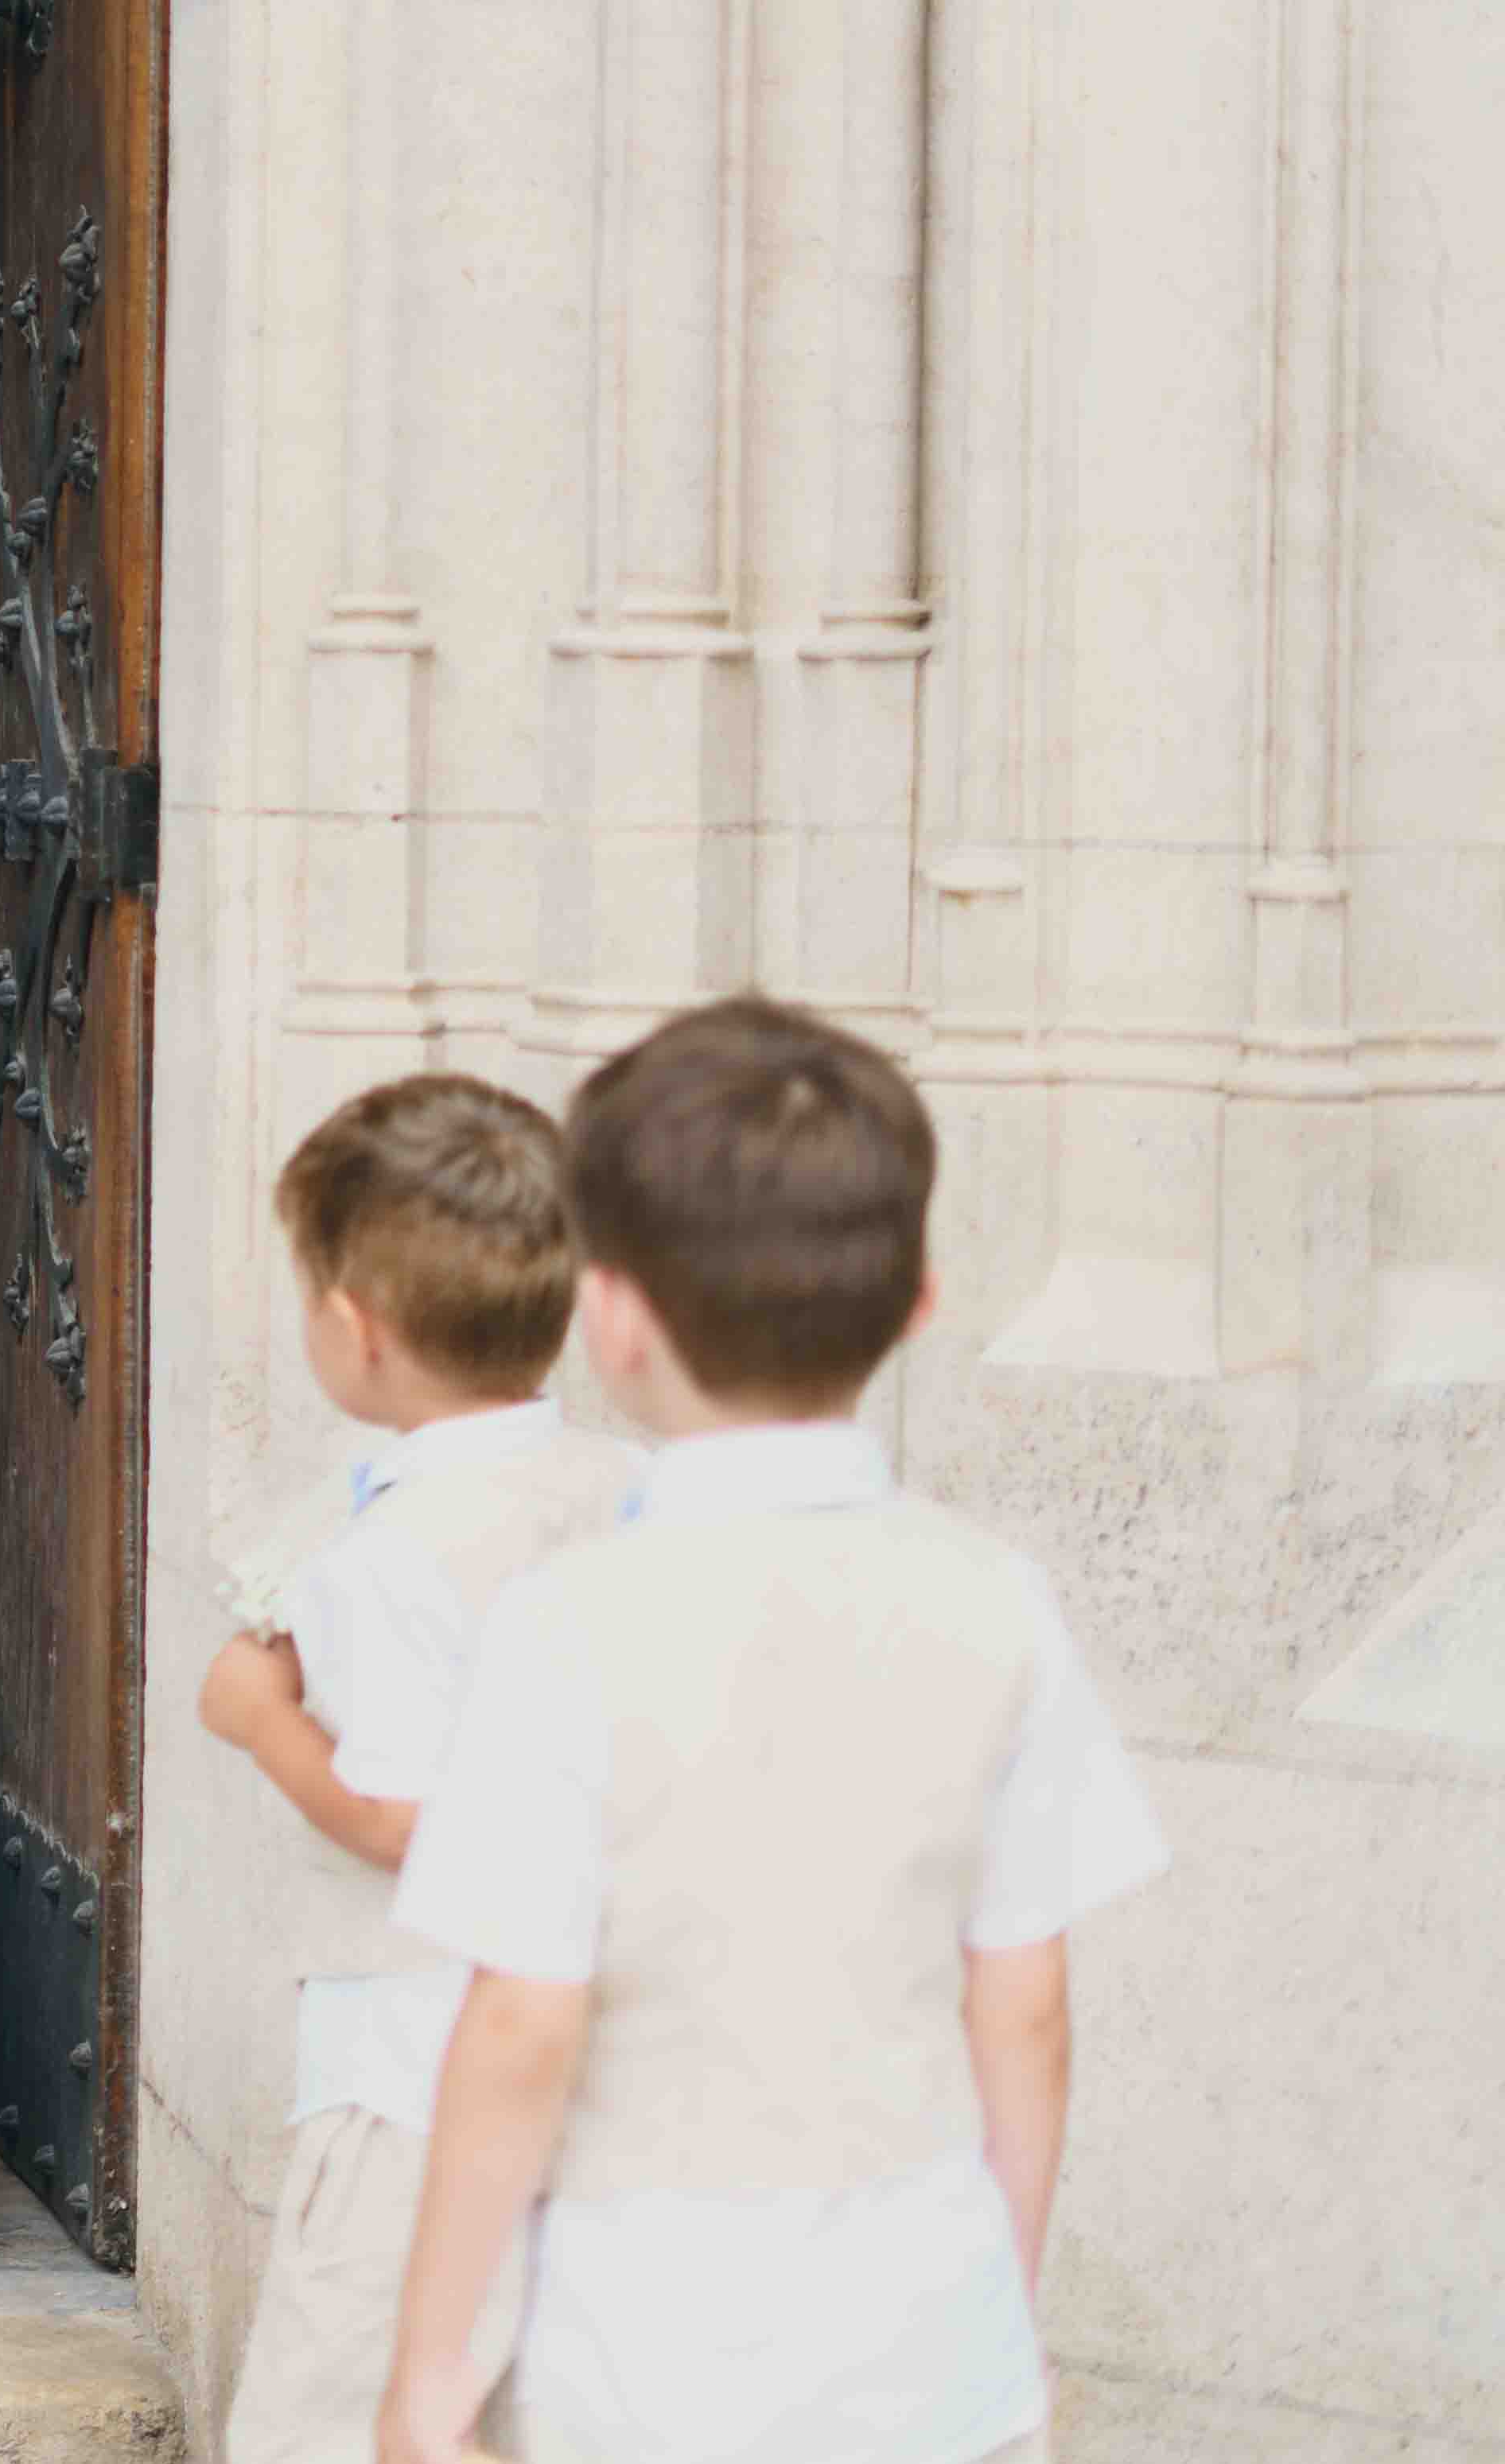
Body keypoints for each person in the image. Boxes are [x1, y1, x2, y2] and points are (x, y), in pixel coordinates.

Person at [375, 998, 1171, 2464]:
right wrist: (996, 2296)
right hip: (931, 2337)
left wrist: (429, 2379)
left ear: (610, 1316)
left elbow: (524, 2023)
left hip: (650, 2350)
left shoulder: (567, 1628)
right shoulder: (999, 1600)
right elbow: (1027, 1998)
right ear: (920, 1298)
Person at [196, 1075, 639, 2464]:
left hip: (412, 2075)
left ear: (356, 1328)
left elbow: (407, 1818)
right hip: (599, 2063)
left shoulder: (394, 1554)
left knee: (326, 2418)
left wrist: (262, 1717)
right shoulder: (621, 1487)